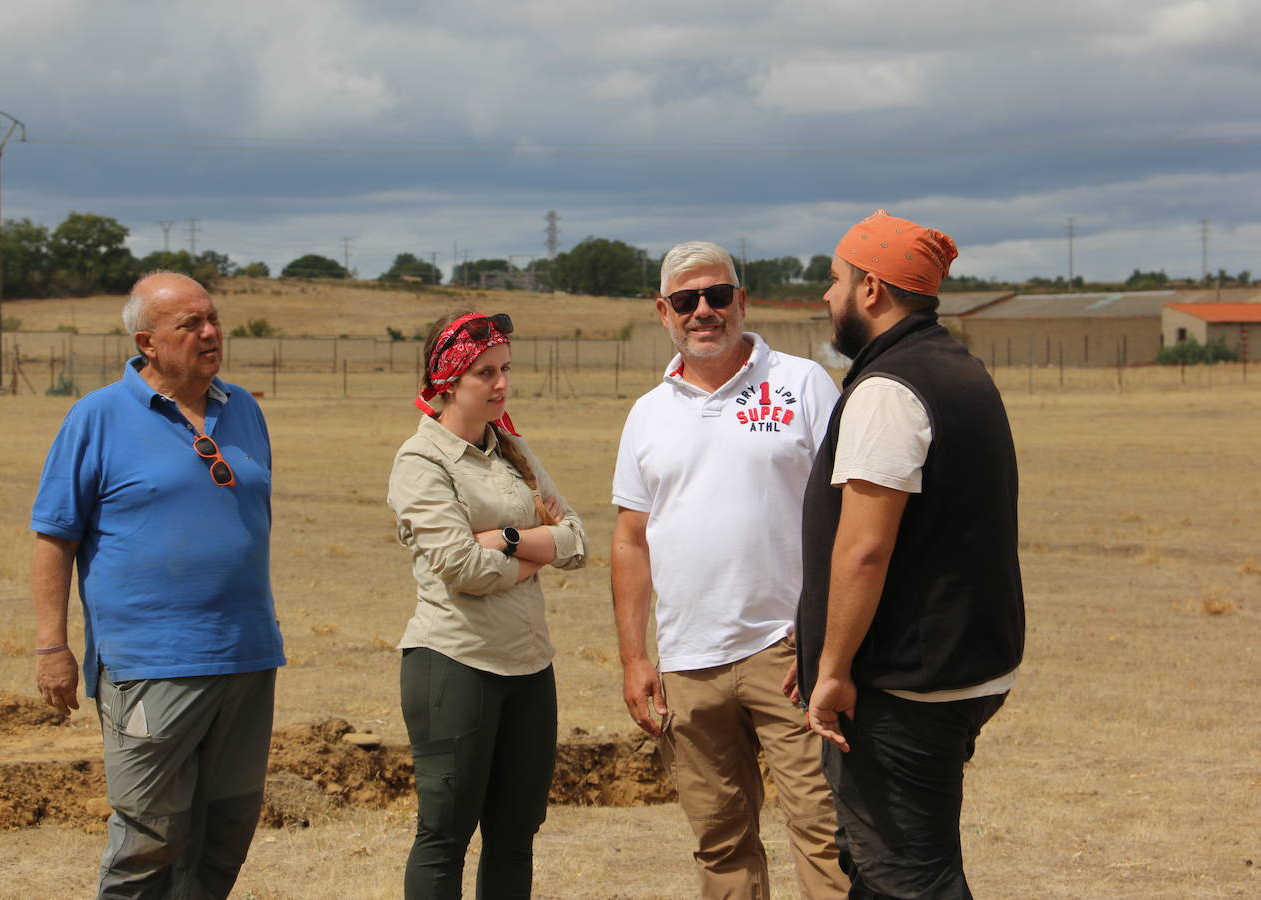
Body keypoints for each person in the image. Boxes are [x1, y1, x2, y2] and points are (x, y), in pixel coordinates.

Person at [30, 271, 284, 899]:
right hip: (151, 663)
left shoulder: (243, 409)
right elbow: (55, 535)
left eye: (213, 318)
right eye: (189, 324)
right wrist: (51, 647)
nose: (210, 332)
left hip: (246, 656)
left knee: (226, 828)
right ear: (147, 341)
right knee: (151, 835)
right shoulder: (97, 417)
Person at [797, 210, 1025, 898]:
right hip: (961, 663)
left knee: (909, 878)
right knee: (881, 868)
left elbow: (865, 550)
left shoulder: (891, 390)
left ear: (871, 290)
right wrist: (812, 634)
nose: (827, 297)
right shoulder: (954, 367)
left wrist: (831, 668)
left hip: (904, 682)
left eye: (836, 281)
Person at [611, 241, 849, 899]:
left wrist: (830, 640)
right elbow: (631, 541)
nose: (704, 311)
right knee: (721, 848)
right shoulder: (648, 415)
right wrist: (636, 659)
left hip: (791, 654)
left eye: (718, 295)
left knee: (827, 835)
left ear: (742, 300)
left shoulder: (803, 385)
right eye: (686, 301)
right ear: (664, 311)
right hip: (689, 665)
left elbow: (849, 514)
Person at [387, 310, 588, 899]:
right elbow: (463, 570)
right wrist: (537, 553)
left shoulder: (513, 451)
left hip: (530, 666)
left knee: (516, 832)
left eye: (505, 369)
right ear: (448, 379)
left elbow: (577, 539)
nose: (501, 384)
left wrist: (504, 540)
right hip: (455, 661)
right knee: (445, 834)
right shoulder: (421, 461)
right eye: (484, 373)